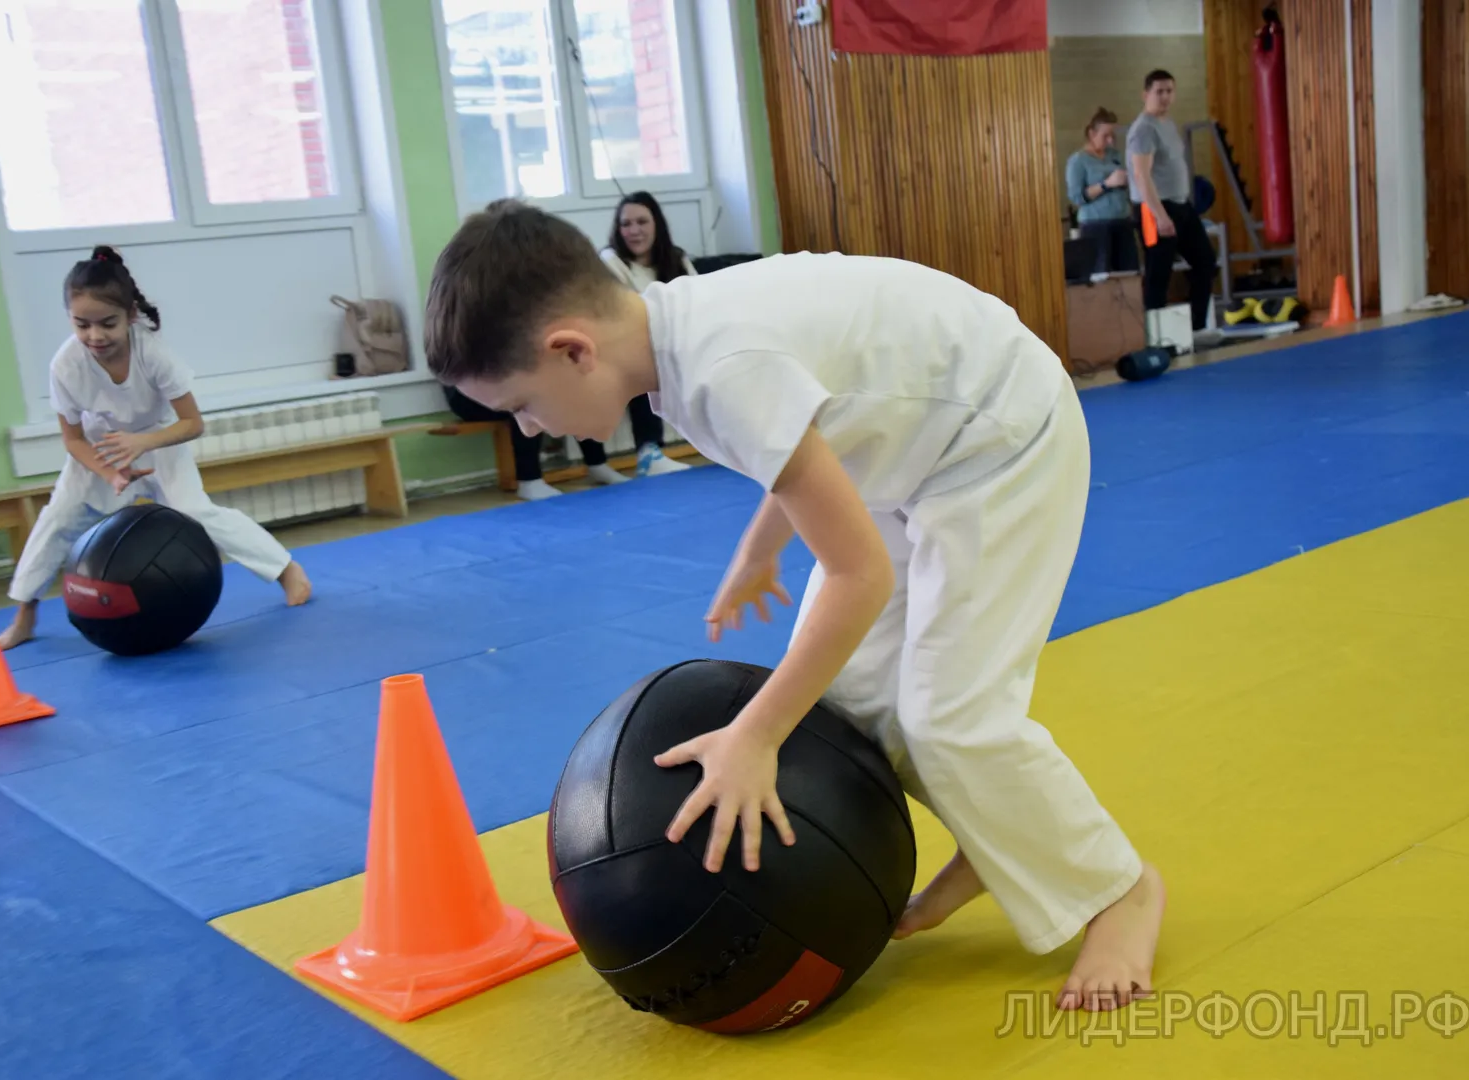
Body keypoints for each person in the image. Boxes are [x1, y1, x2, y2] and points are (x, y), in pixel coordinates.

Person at [422, 201, 1165, 1013]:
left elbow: (859, 575)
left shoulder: (718, 369)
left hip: (1002, 436)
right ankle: (1007, 840)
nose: (531, 429)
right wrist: (761, 547)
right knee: (853, 700)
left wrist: (755, 734)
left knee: (952, 719)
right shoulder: (675, 336)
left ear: (573, 350)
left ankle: (1120, 891)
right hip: (916, 449)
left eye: (521, 406)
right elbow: (806, 428)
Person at [0, 246, 312, 649]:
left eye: (107, 323)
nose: (95, 336)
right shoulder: (65, 365)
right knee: (57, 518)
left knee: (197, 512)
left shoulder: (154, 354)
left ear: (130, 314)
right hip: (102, 450)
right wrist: (111, 472)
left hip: (161, 440)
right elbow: (73, 439)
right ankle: (24, 616)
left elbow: (193, 423)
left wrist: (142, 442)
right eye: (82, 325)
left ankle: (286, 570)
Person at [599, 192, 695, 479]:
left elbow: (698, 298)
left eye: (642, 222)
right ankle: (649, 451)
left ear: (657, 224)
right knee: (642, 356)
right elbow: (631, 310)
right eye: (626, 224)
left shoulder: (675, 258)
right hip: (630, 343)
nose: (634, 230)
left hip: (676, 337)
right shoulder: (611, 260)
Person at [1126, 69, 1218, 331]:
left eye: (1169, 91)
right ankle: (1155, 335)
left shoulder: (1167, 123)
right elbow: (1141, 175)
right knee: (1159, 272)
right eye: (1159, 92)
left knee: (1205, 262)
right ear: (1145, 94)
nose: (1165, 97)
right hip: (1154, 209)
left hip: (1180, 205)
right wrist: (1160, 216)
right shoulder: (1143, 129)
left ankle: (1196, 327)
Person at [441, 383, 630, 501]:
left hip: (499, 384)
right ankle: (529, 481)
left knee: (576, 391)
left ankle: (597, 463)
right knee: (528, 400)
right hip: (468, 394)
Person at [1065, 108, 1139, 275]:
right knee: (1100, 275)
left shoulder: (1115, 155)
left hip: (1122, 221)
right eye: (1105, 136)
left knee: (1130, 273)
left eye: (1113, 136)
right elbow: (1077, 197)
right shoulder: (1078, 161)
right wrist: (1107, 184)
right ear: (1092, 133)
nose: (1110, 141)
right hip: (1096, 225)